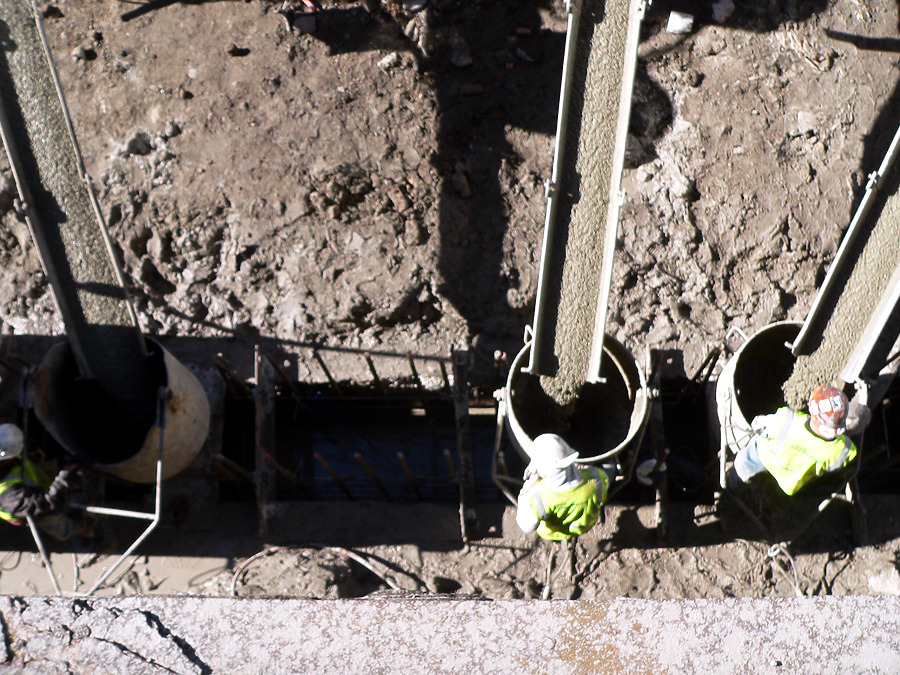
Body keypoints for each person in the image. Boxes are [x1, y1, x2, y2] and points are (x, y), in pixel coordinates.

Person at [727, 384, 858, 496]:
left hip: (763, 458)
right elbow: (832, 467)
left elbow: (758, 424)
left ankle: (731, 483)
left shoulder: (787, 419)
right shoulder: (844, 449)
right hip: (788, 482)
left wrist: (760, 421)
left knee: (744, 461)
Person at [515, 433, 611, 541]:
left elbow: (527, 526)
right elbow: (605, 484)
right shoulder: (596, 478)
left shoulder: (537, 497)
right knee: (610, 467)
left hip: (552, 533)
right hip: (582, 528)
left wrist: (526, 490)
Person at [0, 423, 79, 540]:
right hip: (35, 511)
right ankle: (83, 531)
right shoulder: (9, 496)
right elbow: (50, 504)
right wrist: (67, 473)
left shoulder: (8, 457)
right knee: (64, 526)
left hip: (38, 482)